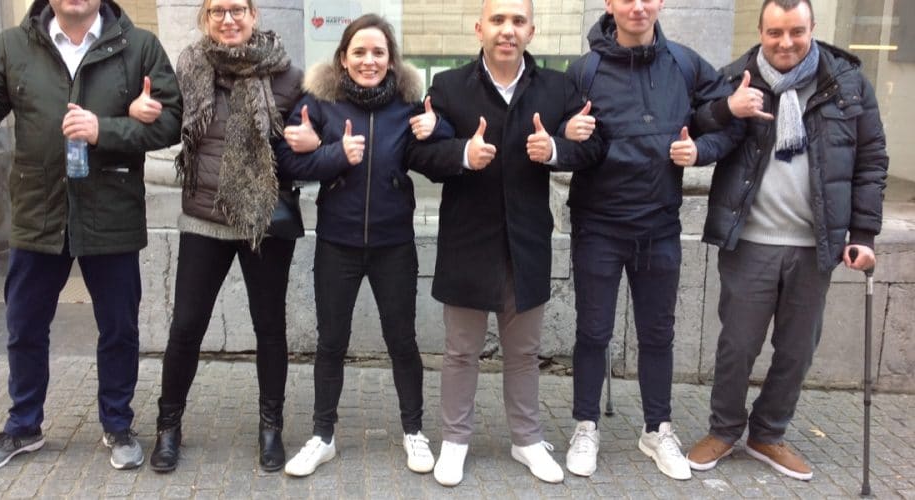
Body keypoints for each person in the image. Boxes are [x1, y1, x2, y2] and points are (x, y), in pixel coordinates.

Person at [0, 0, 181, 472]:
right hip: (39, 213)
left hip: (110, 213)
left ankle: (117, 424)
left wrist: (104, 129)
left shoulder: (139, 47)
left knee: (119, 329)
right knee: (25, 326)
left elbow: (171, 123)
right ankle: (23, 425)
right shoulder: (13, 46)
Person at [685, 0, 887, 481]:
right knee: (737, 345)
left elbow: (871, 158)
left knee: (797, 350)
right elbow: (695, 125)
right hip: (750, 239)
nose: (786, 42)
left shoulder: (847, 83)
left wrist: (863, 234)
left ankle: (768, 433)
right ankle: (724, 429)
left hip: (815, 245)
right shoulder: (735, 78)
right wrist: (726, 108)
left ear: (812, 29)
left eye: (796, 31)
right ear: (760, 32)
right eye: (775, 32)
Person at [406, 0, 604, 486]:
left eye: (518, 21)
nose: (507, 30)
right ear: (480, 29)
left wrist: (556, 148)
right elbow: (416, 151)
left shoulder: (557, 87)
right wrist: (462, 153)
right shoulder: (448, 86)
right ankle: (455, 440)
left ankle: (527, 439)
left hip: (526, 241)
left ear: (531, 31)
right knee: (460, 351)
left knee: (524, 352)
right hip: (467, 240)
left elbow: (595, 145)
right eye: (498, 20)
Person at [561, 0, 741, 481]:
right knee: (593, 333)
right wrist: (566, 133)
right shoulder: (585, 69)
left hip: (659, 226)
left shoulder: (685, 63)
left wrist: (700, 151)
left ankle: (657, 429)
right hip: (598, 225)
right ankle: (585, 426)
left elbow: (731, 122)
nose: (637, 6)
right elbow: (557, 133)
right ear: (609, 4)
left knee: (658, 334)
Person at [275, 13, 449, 477]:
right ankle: (322, 436)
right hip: (338, 242)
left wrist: (439, 129)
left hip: (394, 244)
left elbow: (436, 152)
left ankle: (414, 431)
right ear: (343, 58)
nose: (368, 60)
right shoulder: (319, 103)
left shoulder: (409, 104)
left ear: (391, 60)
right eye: (359, 52)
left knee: (402, 341)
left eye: (378, 52)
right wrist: (333, 154)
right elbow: (287, 163)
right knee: (331, 342)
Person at [135, 0, 305, 474]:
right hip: (204, 218)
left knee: (270, 327)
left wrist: (308, 145)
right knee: (186, 327)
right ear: (206, 19)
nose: (228, 19)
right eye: (217, 11)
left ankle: (270, 427)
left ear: (253, 15)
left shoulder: (288, 75)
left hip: (262, 220)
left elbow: (302, 149)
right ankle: (169, 427)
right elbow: (169, 127)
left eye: (237, 9)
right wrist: (141, 114)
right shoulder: (190, 68)